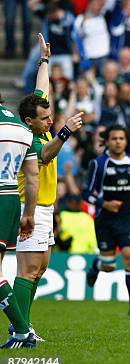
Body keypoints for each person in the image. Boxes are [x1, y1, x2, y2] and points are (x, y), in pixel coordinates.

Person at [12, 34, 83, 343]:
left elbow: (44, 90)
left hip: (46, 207)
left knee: (38, 271)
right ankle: (20, 329)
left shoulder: (39, 126)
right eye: (44, 118)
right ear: (30, 121)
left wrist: (44, 60)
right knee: (27, 271)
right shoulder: (29, 139)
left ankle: (24, 326)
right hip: (30, 209)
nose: (50, 119)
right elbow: (46, 155)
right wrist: (65, 132)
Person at [82, 125, 130, 316]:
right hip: (105, 219)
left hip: (127, 217)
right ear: (107, 141)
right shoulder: (99, 164)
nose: (118, 142)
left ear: (126, 141)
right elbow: (86, 193)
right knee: (109, 266)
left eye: (121, 138)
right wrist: (104, 203)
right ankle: (97, 265)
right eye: (114, 138)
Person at [0, 88, 39, 349]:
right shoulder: (22, 128)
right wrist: (29, 214)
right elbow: (33, 175)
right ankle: (22, 330)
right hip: (12, 198)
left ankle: (23, 331)